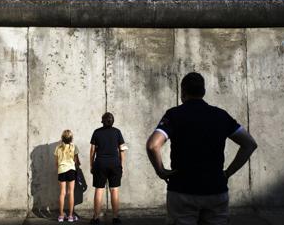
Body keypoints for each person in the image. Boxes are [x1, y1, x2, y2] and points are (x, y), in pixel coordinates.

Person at [146, 72, 258, 225]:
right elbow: (249, 144)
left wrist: (160, 170)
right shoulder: (221, 116)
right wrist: (228, 173)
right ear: (203, 92)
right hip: (216, 189)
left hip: (182, 190)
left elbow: (153, 145)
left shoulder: (174, 115)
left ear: (183, 92)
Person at [90, 112, 126, 224]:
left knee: (99, 189)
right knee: (114, 189)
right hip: (115, 164)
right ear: (112, 121)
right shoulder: (117, 132)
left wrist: (92, 165)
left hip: (100, 163)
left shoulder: (96, 132)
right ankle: (115, 217)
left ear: (102, 121)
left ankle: (96, 218)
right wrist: (121, 164)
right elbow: (122, 149)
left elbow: (92, 151)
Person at [54, 129, 81, 222]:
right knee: (71, 193)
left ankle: (61, 216)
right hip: (71, 171)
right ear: (71, 139)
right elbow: (76, 161)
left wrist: (60, 169)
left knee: (62, 193)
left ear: (62, 138)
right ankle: (70, 216)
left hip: (61, 170)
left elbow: (56, 163)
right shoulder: (74, 147)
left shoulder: (58, 148)